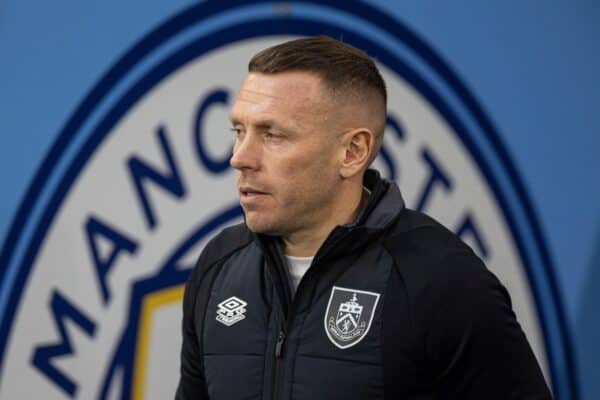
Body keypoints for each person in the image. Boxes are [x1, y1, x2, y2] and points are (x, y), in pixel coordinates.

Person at [176, 36, 552, 399]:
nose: (239, 157)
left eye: (273, 135)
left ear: (353, 152)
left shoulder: (440, 278)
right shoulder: (219, 267)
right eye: (238, 131)